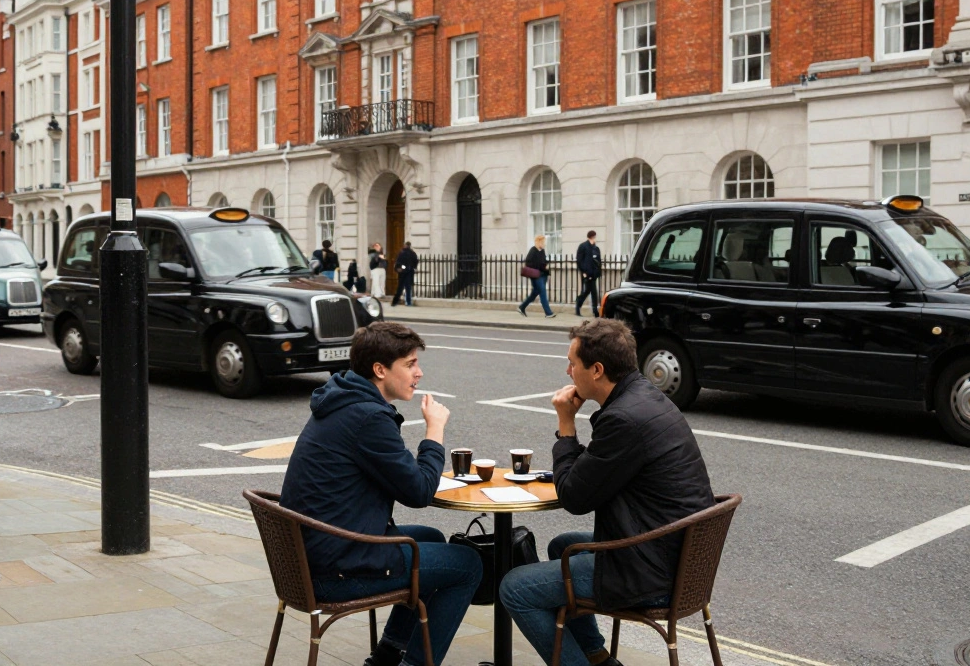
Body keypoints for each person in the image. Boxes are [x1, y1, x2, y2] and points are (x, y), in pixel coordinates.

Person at [499, 319, 715, 666]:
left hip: (654, 572)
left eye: (573, 363)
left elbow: (574, 497)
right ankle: (597, 657)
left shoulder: (624, 419)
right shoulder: (643, 397)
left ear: (597, 370)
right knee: (563, 546)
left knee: (515, 588)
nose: (568, 371)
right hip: (682, 557)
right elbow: (598, 476)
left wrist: (566, 426)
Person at [281, 322, 480, 666]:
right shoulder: (368, 417)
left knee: (430, 537)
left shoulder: (342, 399)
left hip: (310, 556)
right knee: (468, 566)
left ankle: (388, 653)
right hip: (335, 570)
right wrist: (435, 432)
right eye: (410, 364)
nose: (418, 373)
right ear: (379, 370)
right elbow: (418, 491)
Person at [518, 234, 555, 318]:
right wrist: (541, 265)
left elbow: (544, 261)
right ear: (539, 242)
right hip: (536, 276)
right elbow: (528, 263)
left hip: (543, 275)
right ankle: (548, 313)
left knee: (534, 294)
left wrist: (546, 264)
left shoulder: (542, 251)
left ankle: (522, 307)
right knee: (543, 293)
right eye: (543, 242)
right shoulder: (533, 250)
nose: (545, 244)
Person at [576, 230, 602, 317]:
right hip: (586, 273)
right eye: (595, 237)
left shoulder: (595, 248)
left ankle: (579, 304)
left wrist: (598, 272)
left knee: (588, 291)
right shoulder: (583, 246)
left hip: (593, 273)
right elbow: (579, 260)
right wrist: (583, 271)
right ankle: (594, 311)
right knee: (592, 291)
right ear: (593, 237)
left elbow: (598, 261)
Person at [393, 241, 418, 307]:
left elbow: (398, 262)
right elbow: (416, 262)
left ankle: (397, 300)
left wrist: (398, 269)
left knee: (400, 287)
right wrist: (413, 267)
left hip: (403, 272)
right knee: (408, 287)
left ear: (405, 245)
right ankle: (408, 302)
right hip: (409, 272)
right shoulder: (413, 253)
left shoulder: (402, 253)